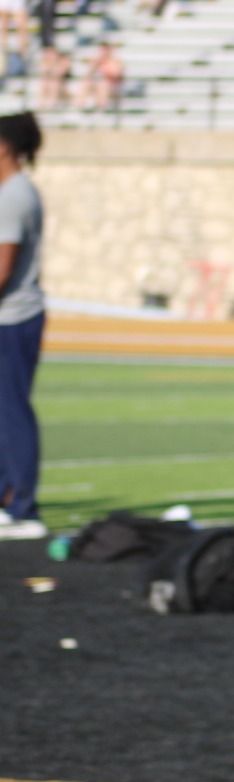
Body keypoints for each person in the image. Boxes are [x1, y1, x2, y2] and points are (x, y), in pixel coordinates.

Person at [0, 111, 46, 540]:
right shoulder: (16, 191)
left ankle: (24, 507)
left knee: (12, 412)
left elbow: (3, 268)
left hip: (12, 316)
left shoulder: (12, 196)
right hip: (13, 315)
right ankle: (7, 498)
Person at [80, 41, 122, 113]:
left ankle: (102, 109)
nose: (103, 52)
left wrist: (104, 67)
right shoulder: (96, 61)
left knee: (103, 84)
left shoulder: (115, 61)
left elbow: (116, 75)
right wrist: (93, 65)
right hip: (97, 85)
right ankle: (80, 107)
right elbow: (87, 75)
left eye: (105, 50)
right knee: (86, 83)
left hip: (112, 87)